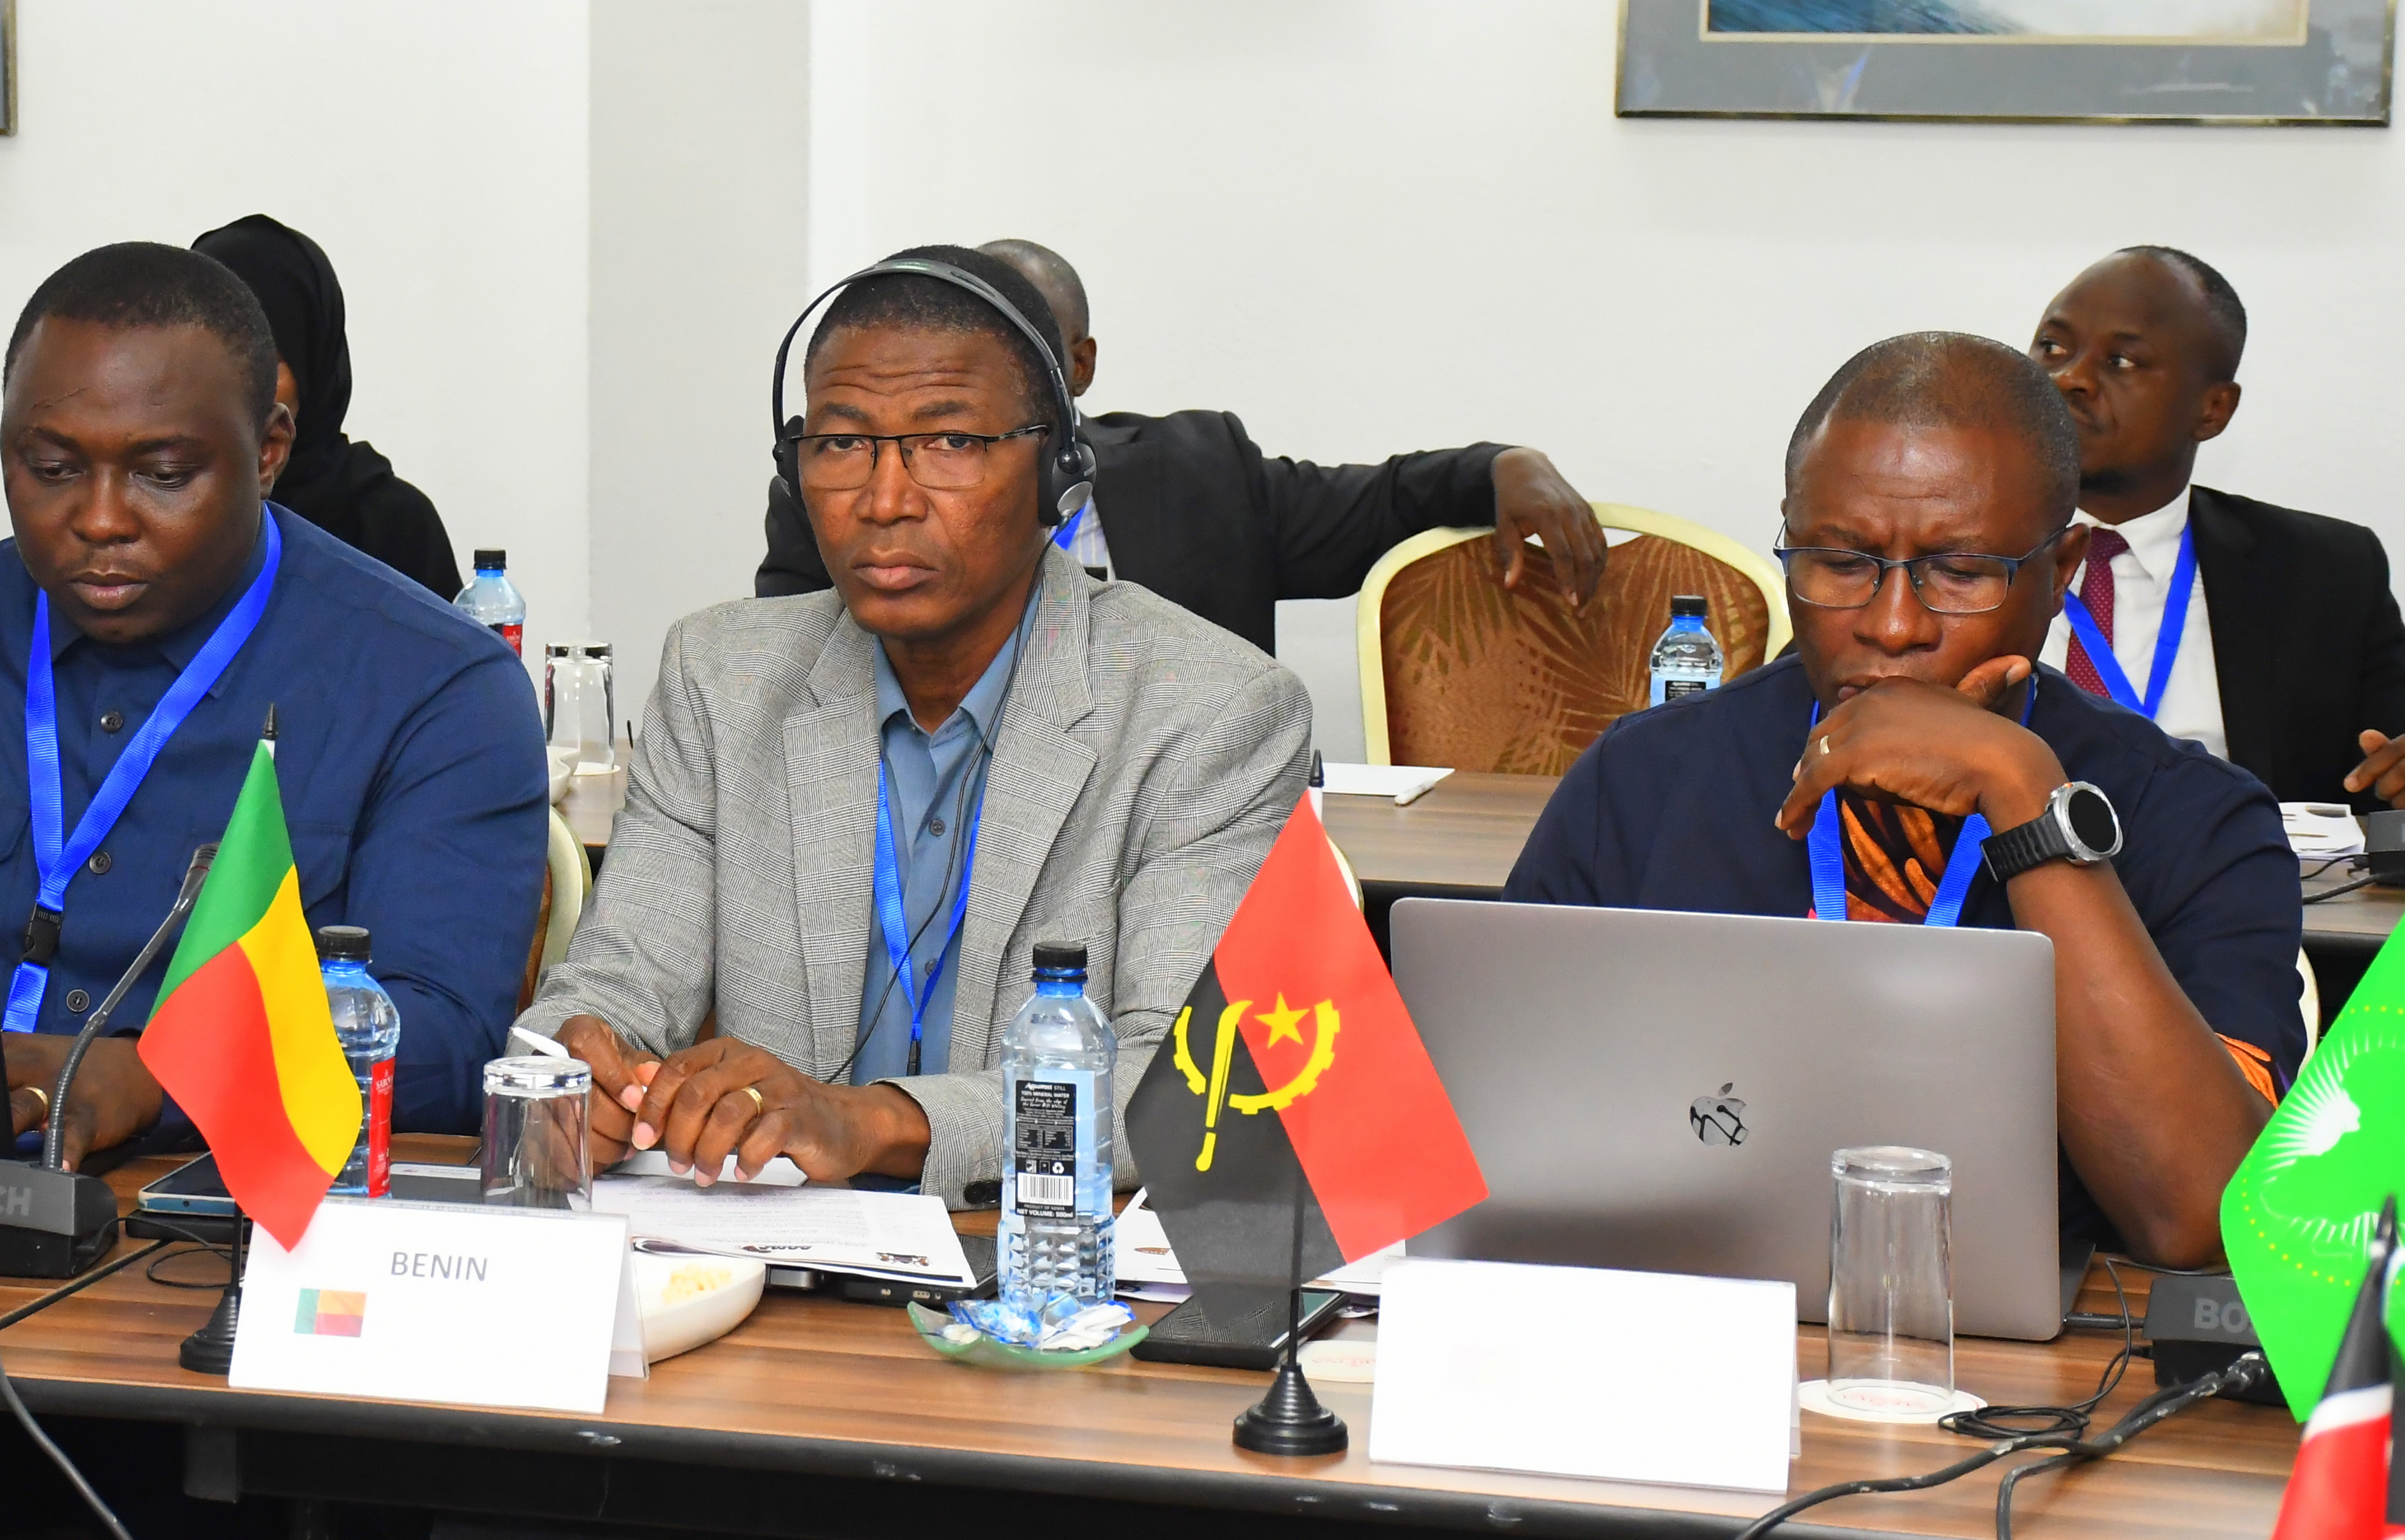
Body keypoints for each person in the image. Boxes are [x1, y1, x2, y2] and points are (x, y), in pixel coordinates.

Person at [0, 244, 544, 1160]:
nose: (99, 518)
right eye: (51, 468)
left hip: (224, 1216)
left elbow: (445, 1042)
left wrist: (160, 1078)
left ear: (270, 451)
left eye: (162, 475)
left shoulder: (434, 686)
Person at [523, 246, 1310, 1205]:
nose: (884, 500)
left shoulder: (1209, 708)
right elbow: (610, 988)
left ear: (1058, 473)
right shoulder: (720, 680)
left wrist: (874, 1119)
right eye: (842, 444)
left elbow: (1178, 1089)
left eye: (949, 443)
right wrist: (582, 1070)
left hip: (1037, 1277)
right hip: (769, 1276)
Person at [1504, 332, 2300, 1268]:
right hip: (1694, 1314)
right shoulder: (1640, 781)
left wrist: (2024, 799)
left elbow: (2198, 1220)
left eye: (1959, 573)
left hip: (2038, 1379)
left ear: (2060, 571)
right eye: (1839, 564)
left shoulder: (2199, 820)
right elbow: (1504, 1137)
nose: (1889, 625)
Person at [756, 237, 1607, 652]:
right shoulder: (837, 490)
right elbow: (789, 674)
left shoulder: (1201, 474)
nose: (889, 489)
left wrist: (1503, 467)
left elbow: (1382, 504)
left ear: (1074, 369)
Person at [2026, 246, 2405, 806]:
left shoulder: (2328, 574)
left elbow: (2383, 773)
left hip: (2238, 884)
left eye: (2121, 361)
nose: (2070, 378)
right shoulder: (1938, 555)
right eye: (2053, 348)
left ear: (2213, 410)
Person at [193, 213, 461, 600]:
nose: (234, 385)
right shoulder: (154, 510)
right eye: (209, 359)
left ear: (314, 365)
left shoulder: (390, 524)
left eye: (267, 360)